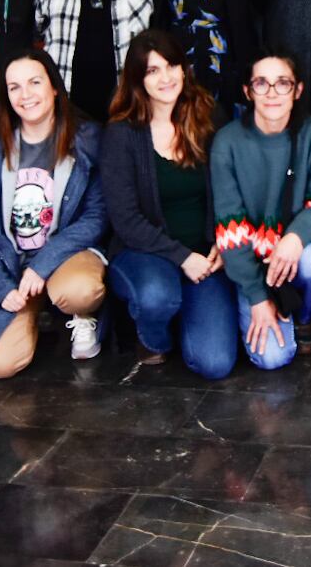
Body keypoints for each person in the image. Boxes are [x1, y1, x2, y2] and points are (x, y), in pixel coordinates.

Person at [0, 50, 109, 378]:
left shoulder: (86, 138)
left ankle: (78, 315)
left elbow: (97, 216)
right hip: (10, 262)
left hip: (65, 255)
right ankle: (34, 311)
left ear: (54, 87)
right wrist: (0, 287)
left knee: (79, 291)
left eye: (34, 82)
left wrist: (43, 265)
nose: (25, 94)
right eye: (14, 87)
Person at [101, 30, 236, 377]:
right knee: (158, 297)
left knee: (216, 364)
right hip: (144, 253)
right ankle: (153, 337)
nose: (165, 78)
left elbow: (230, 189)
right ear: (137, 79)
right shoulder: (122, 133)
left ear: (183, 68)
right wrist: (181, 257)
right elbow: (125, 219)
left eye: (171, 66)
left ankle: (182, 316)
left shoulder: (208, 116)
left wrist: (225, 240)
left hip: (204, 256)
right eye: (152, 70)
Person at [208, 49, 311, 369]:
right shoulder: (228, 141)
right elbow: (230, 230)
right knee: (273, 359)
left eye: (283, 83)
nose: (272, 93)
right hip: (252, 261)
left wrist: (294, 237)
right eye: (261, 84)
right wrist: (256, 296)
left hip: (295, 252)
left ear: (298, 89)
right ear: (247, 91)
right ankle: (268, 310)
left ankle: (305, 317)